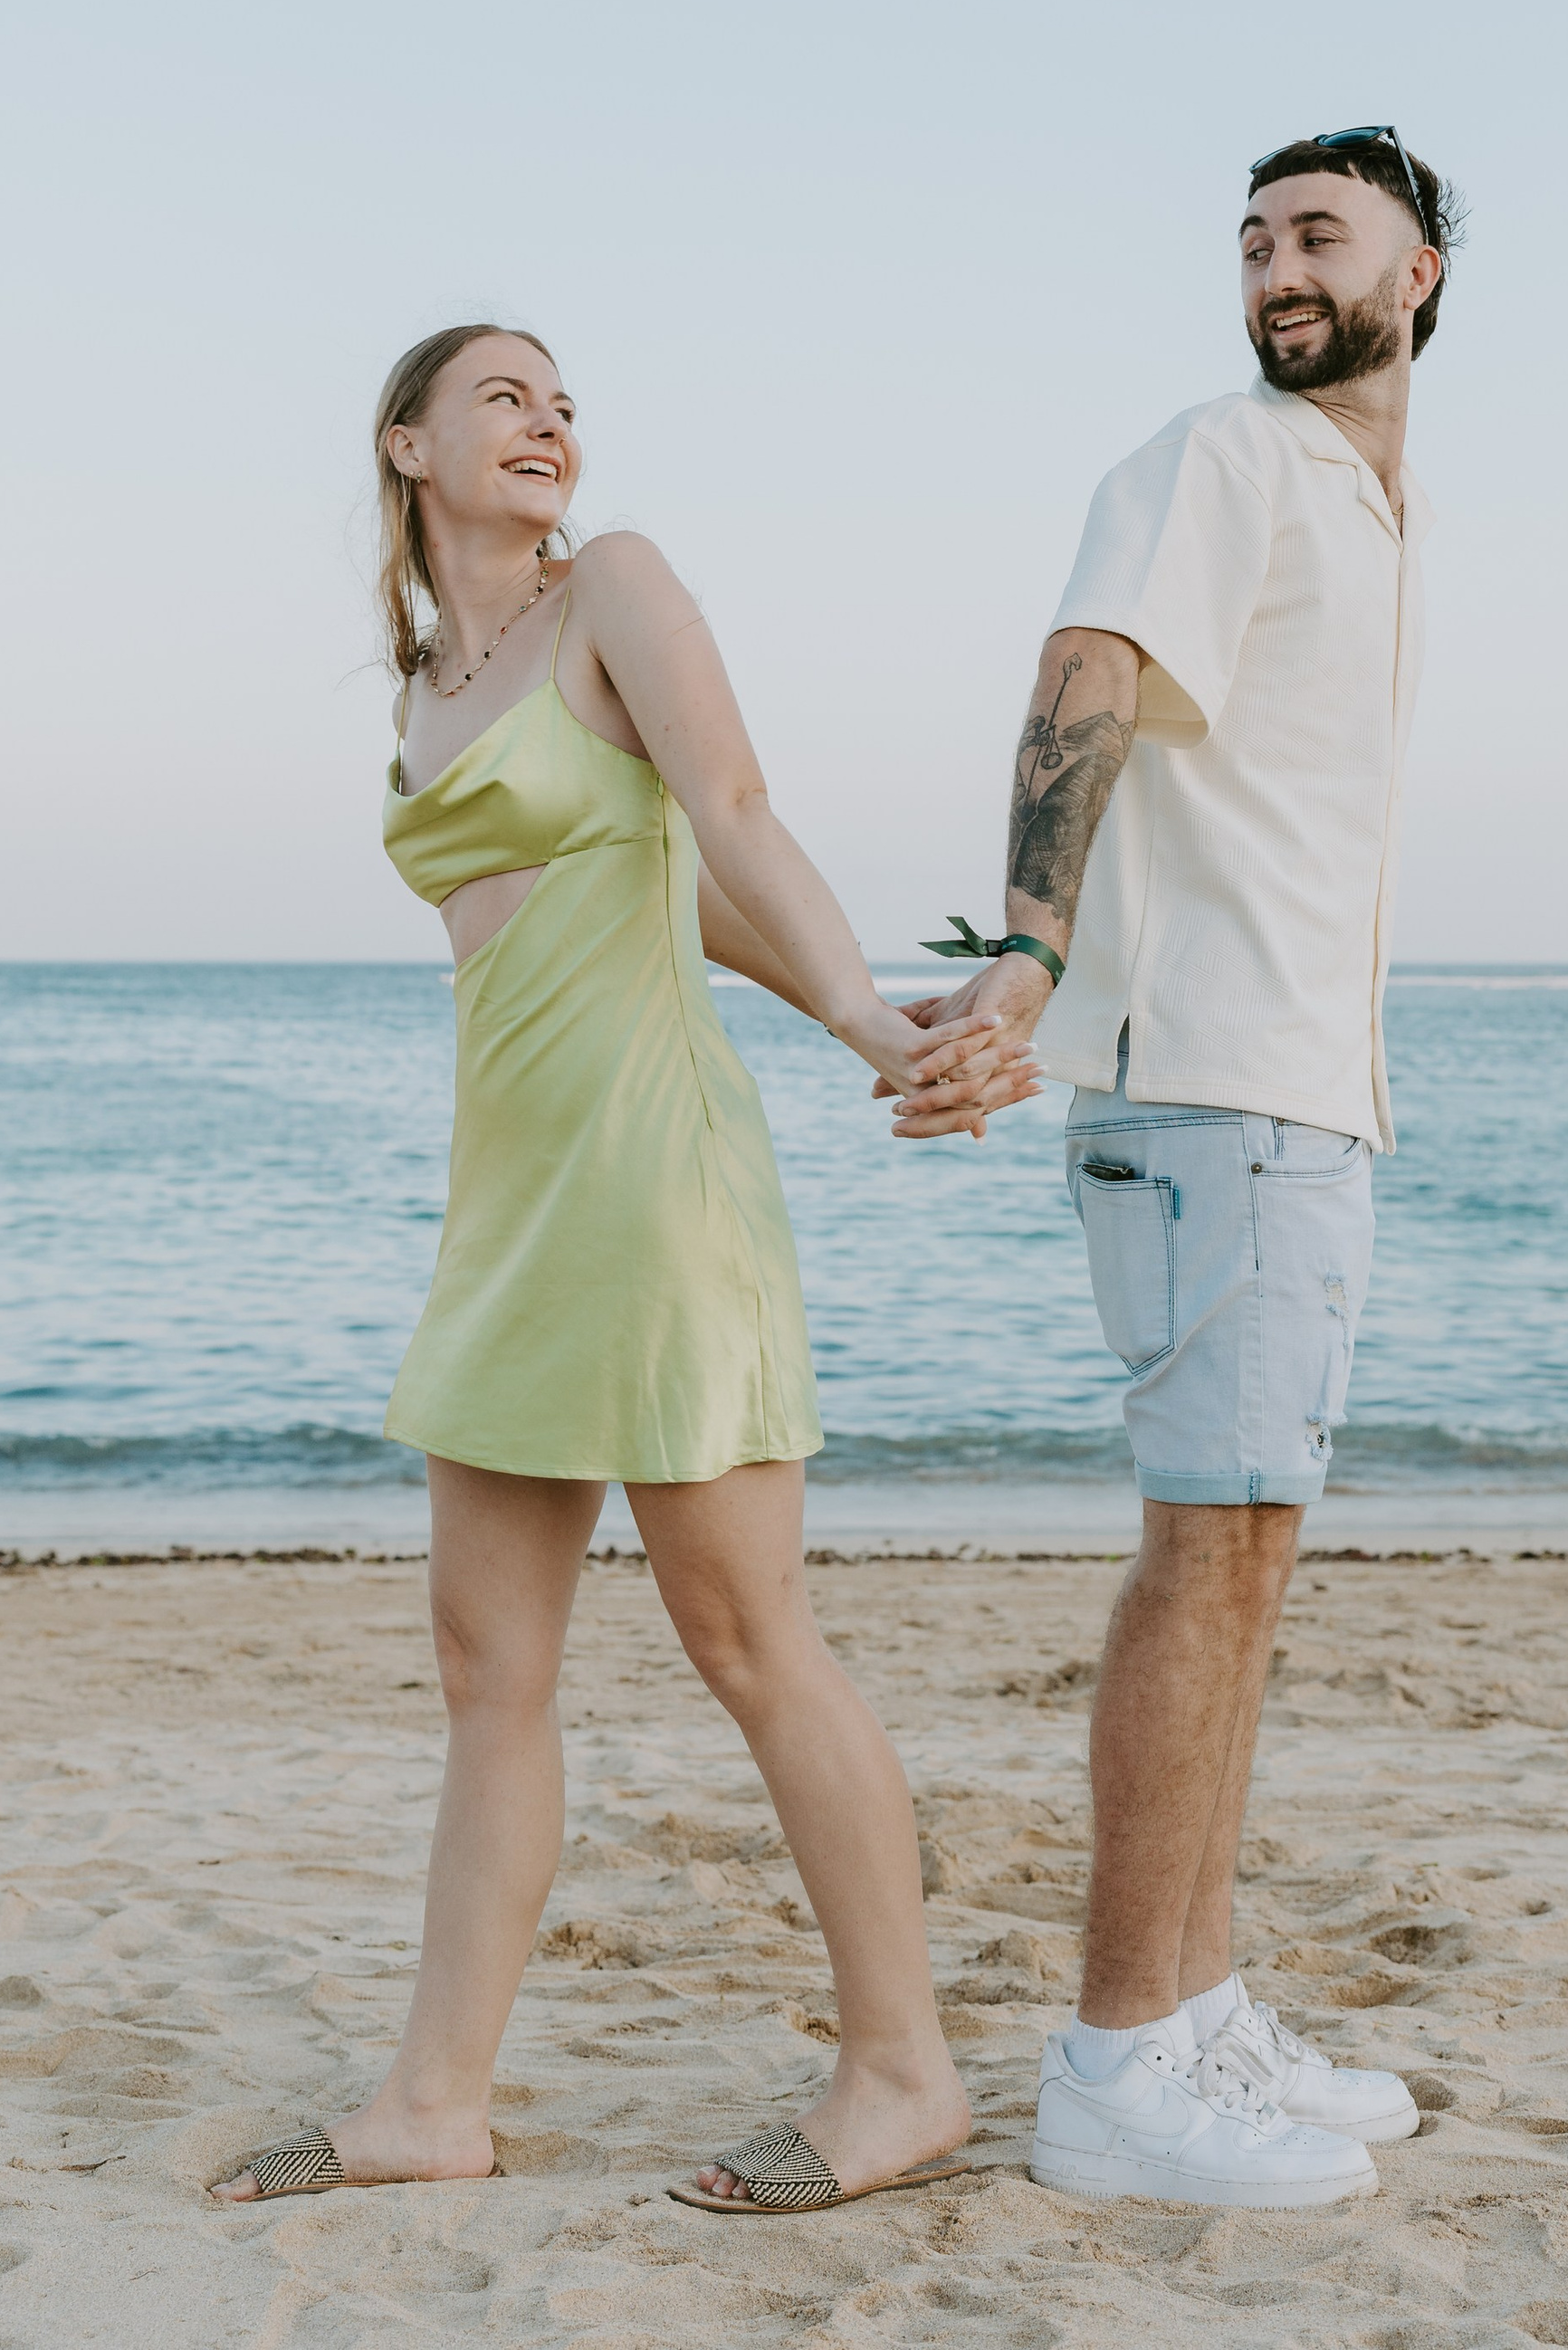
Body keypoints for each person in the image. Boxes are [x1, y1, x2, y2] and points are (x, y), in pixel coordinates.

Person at [212, 322, 1029, 2219]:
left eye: (563, 399)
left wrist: (863, 1021)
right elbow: (649, 888)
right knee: (484, 1663)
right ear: (405, 443)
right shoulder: (427, 680)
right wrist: (831, 1005)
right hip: (508, 1199)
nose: (549, 419)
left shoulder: (619, 590)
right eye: (502, 393)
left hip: (658, 1183)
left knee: (746, 1639)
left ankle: (903, 2074)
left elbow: (729, 814)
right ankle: (433, 2100)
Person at [894, 128, 1460, 2210]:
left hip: (1299, 1088)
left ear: (1424, 276)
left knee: (1249, 1563)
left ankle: (1199, 2012)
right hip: (1203, 1081)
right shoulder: (1215, 458)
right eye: (1250, 241)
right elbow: (1084, 678)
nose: (1272, 267)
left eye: (1314, 234)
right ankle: (1119, 2058)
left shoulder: (1367, 503)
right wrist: (1027, 945)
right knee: (1199, 1555)